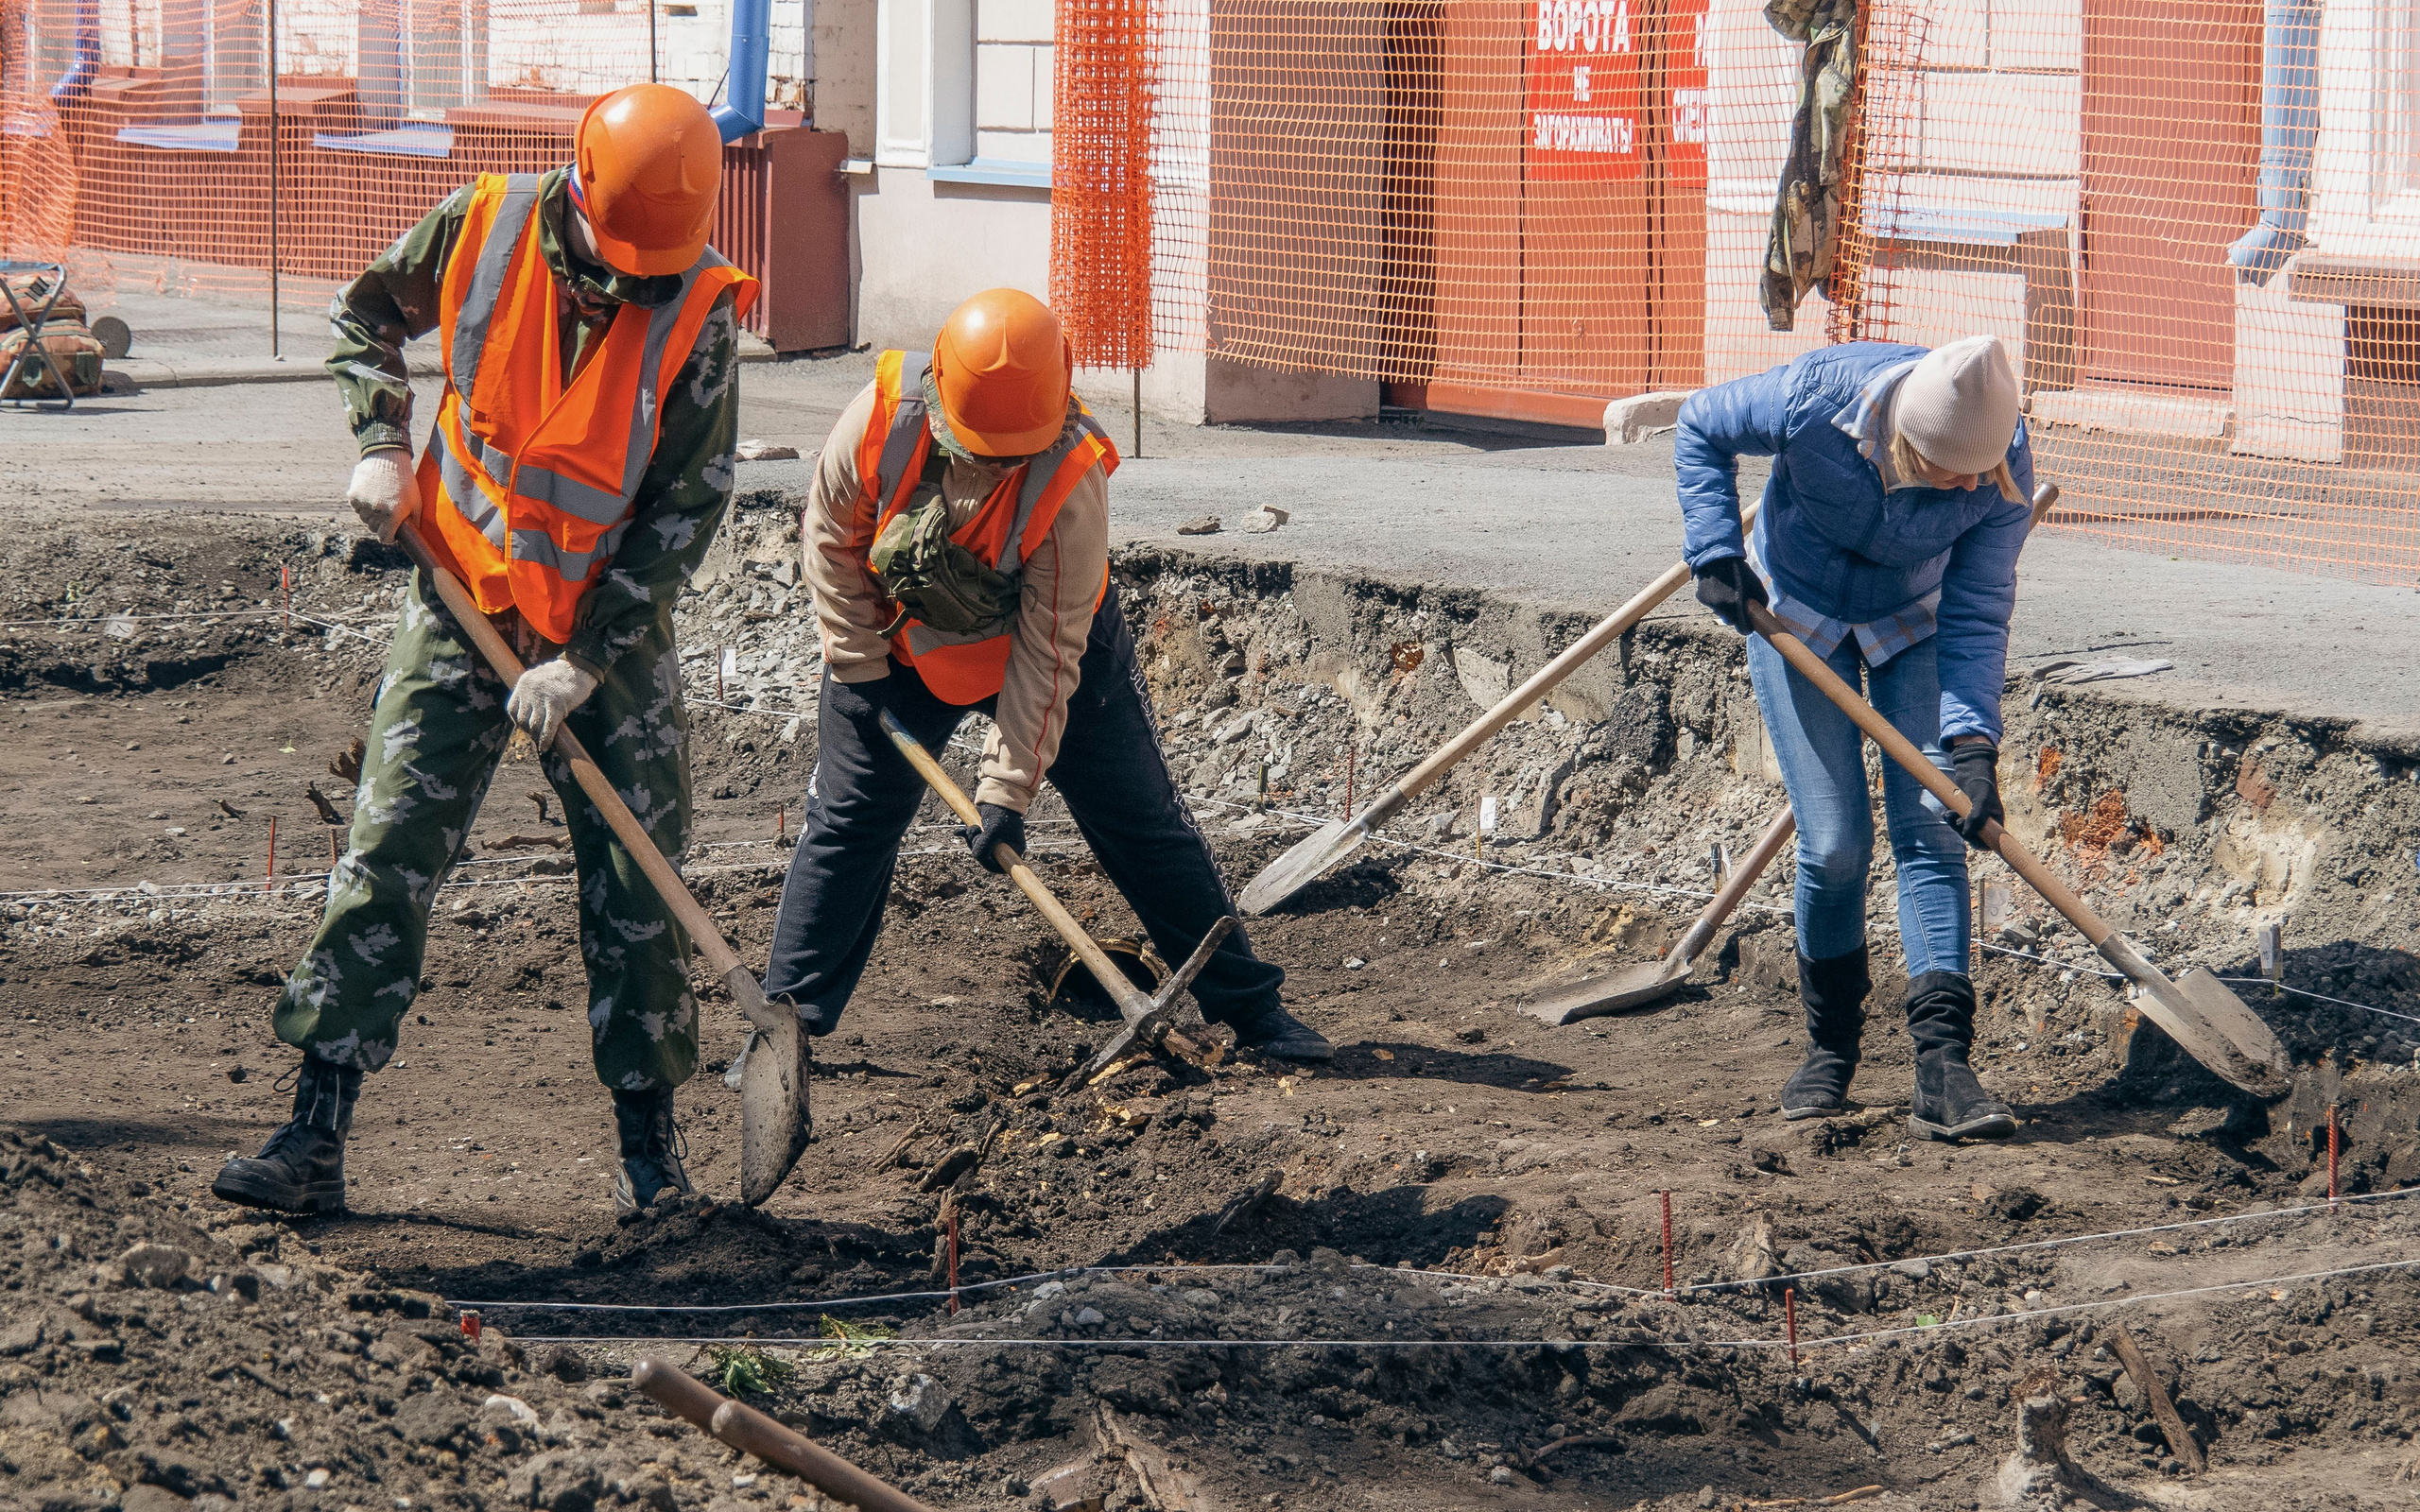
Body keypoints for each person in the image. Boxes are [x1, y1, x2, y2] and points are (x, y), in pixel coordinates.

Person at [212, 84, 756, 1216]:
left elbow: (683, 506)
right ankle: (314, 1135)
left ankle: (653, 1166)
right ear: (580, 197)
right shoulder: (483, 225)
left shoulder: (695, 305)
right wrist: (382, 444)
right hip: (461, 588)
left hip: (600, 627)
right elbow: (363, 315)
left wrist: (591, 659)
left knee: (637, 883)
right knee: (388, 846)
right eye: (618, 261)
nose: (631, 284)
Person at [762, 288, 1327, 1066]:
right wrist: (858, 665)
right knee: (849, 819)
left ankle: (1253, 1010)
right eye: (984, 451)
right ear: (942, 406)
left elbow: (1050, 648)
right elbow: (830, 538)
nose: (1001, 465)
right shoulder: (879, 420)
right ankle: (785, 1033)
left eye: (1014, 452)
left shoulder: (1070, 477)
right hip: (897, 649)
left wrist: (1005, 788)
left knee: (1141, 823)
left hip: (1049, 653)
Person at [1675, 335, 2034, 1142]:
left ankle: (1944, 1066)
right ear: (1907, 442)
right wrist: (1716, 551)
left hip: (1917, 623)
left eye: (1983, 473)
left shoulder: (2002, 459)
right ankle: (1829, 1048)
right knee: (1834, 844)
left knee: (1933, 832)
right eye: (1955, 474)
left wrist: (1973, 745)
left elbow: (1978, 612)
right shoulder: (1815, 399)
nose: (1972, 486)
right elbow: (1699, 425)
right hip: (1796, 611)